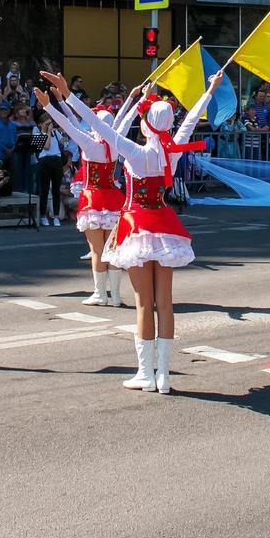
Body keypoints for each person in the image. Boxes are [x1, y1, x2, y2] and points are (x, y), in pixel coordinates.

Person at [86, 71, 224, 394]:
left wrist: (67, 99)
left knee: (143, 303)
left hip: (137, 226)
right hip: (164, 226)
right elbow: (190, 121)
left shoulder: (137, 152)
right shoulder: (170, 150)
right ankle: (164, 377)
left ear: (146, 123)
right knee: (166, 302)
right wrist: (210, 90)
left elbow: (104, 128)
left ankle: (146, 373)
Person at [37, 74, 137, 306]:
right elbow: (123, 120)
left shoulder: (90, 144)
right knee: (112, 249)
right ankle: (114, 296)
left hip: (94, 199)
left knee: (97, 251)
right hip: (113, 198)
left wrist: (48, 106)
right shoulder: (116, 143)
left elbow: (68, 125)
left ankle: (100, 294)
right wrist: (134, 100)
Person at [31, 107, 67, 226]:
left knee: (56, 189)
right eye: (46, 123)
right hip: (44, 161)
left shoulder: (55, 133)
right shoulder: (37, 133)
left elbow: (64, 142)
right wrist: (46, 131)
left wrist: (63, 131)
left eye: (50, 122)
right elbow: (46, 147)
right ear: (41, 124)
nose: (49, 125)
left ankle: (55, 216)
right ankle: (43, 215)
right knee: (44, 190)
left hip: (56, 161)